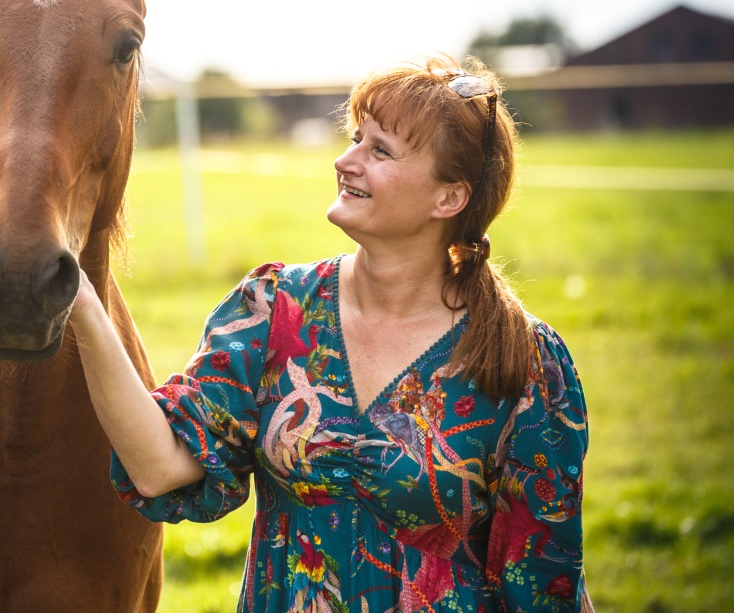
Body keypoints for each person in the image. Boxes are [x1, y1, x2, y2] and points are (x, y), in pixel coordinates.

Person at [70, 55, 591, 611]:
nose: (345, 161)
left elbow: (544, 584)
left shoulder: (525, 362)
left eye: (380, 151)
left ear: (449, 198)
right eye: (355, 139)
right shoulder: (275, 310)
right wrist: (82, 303)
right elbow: (158, 468)